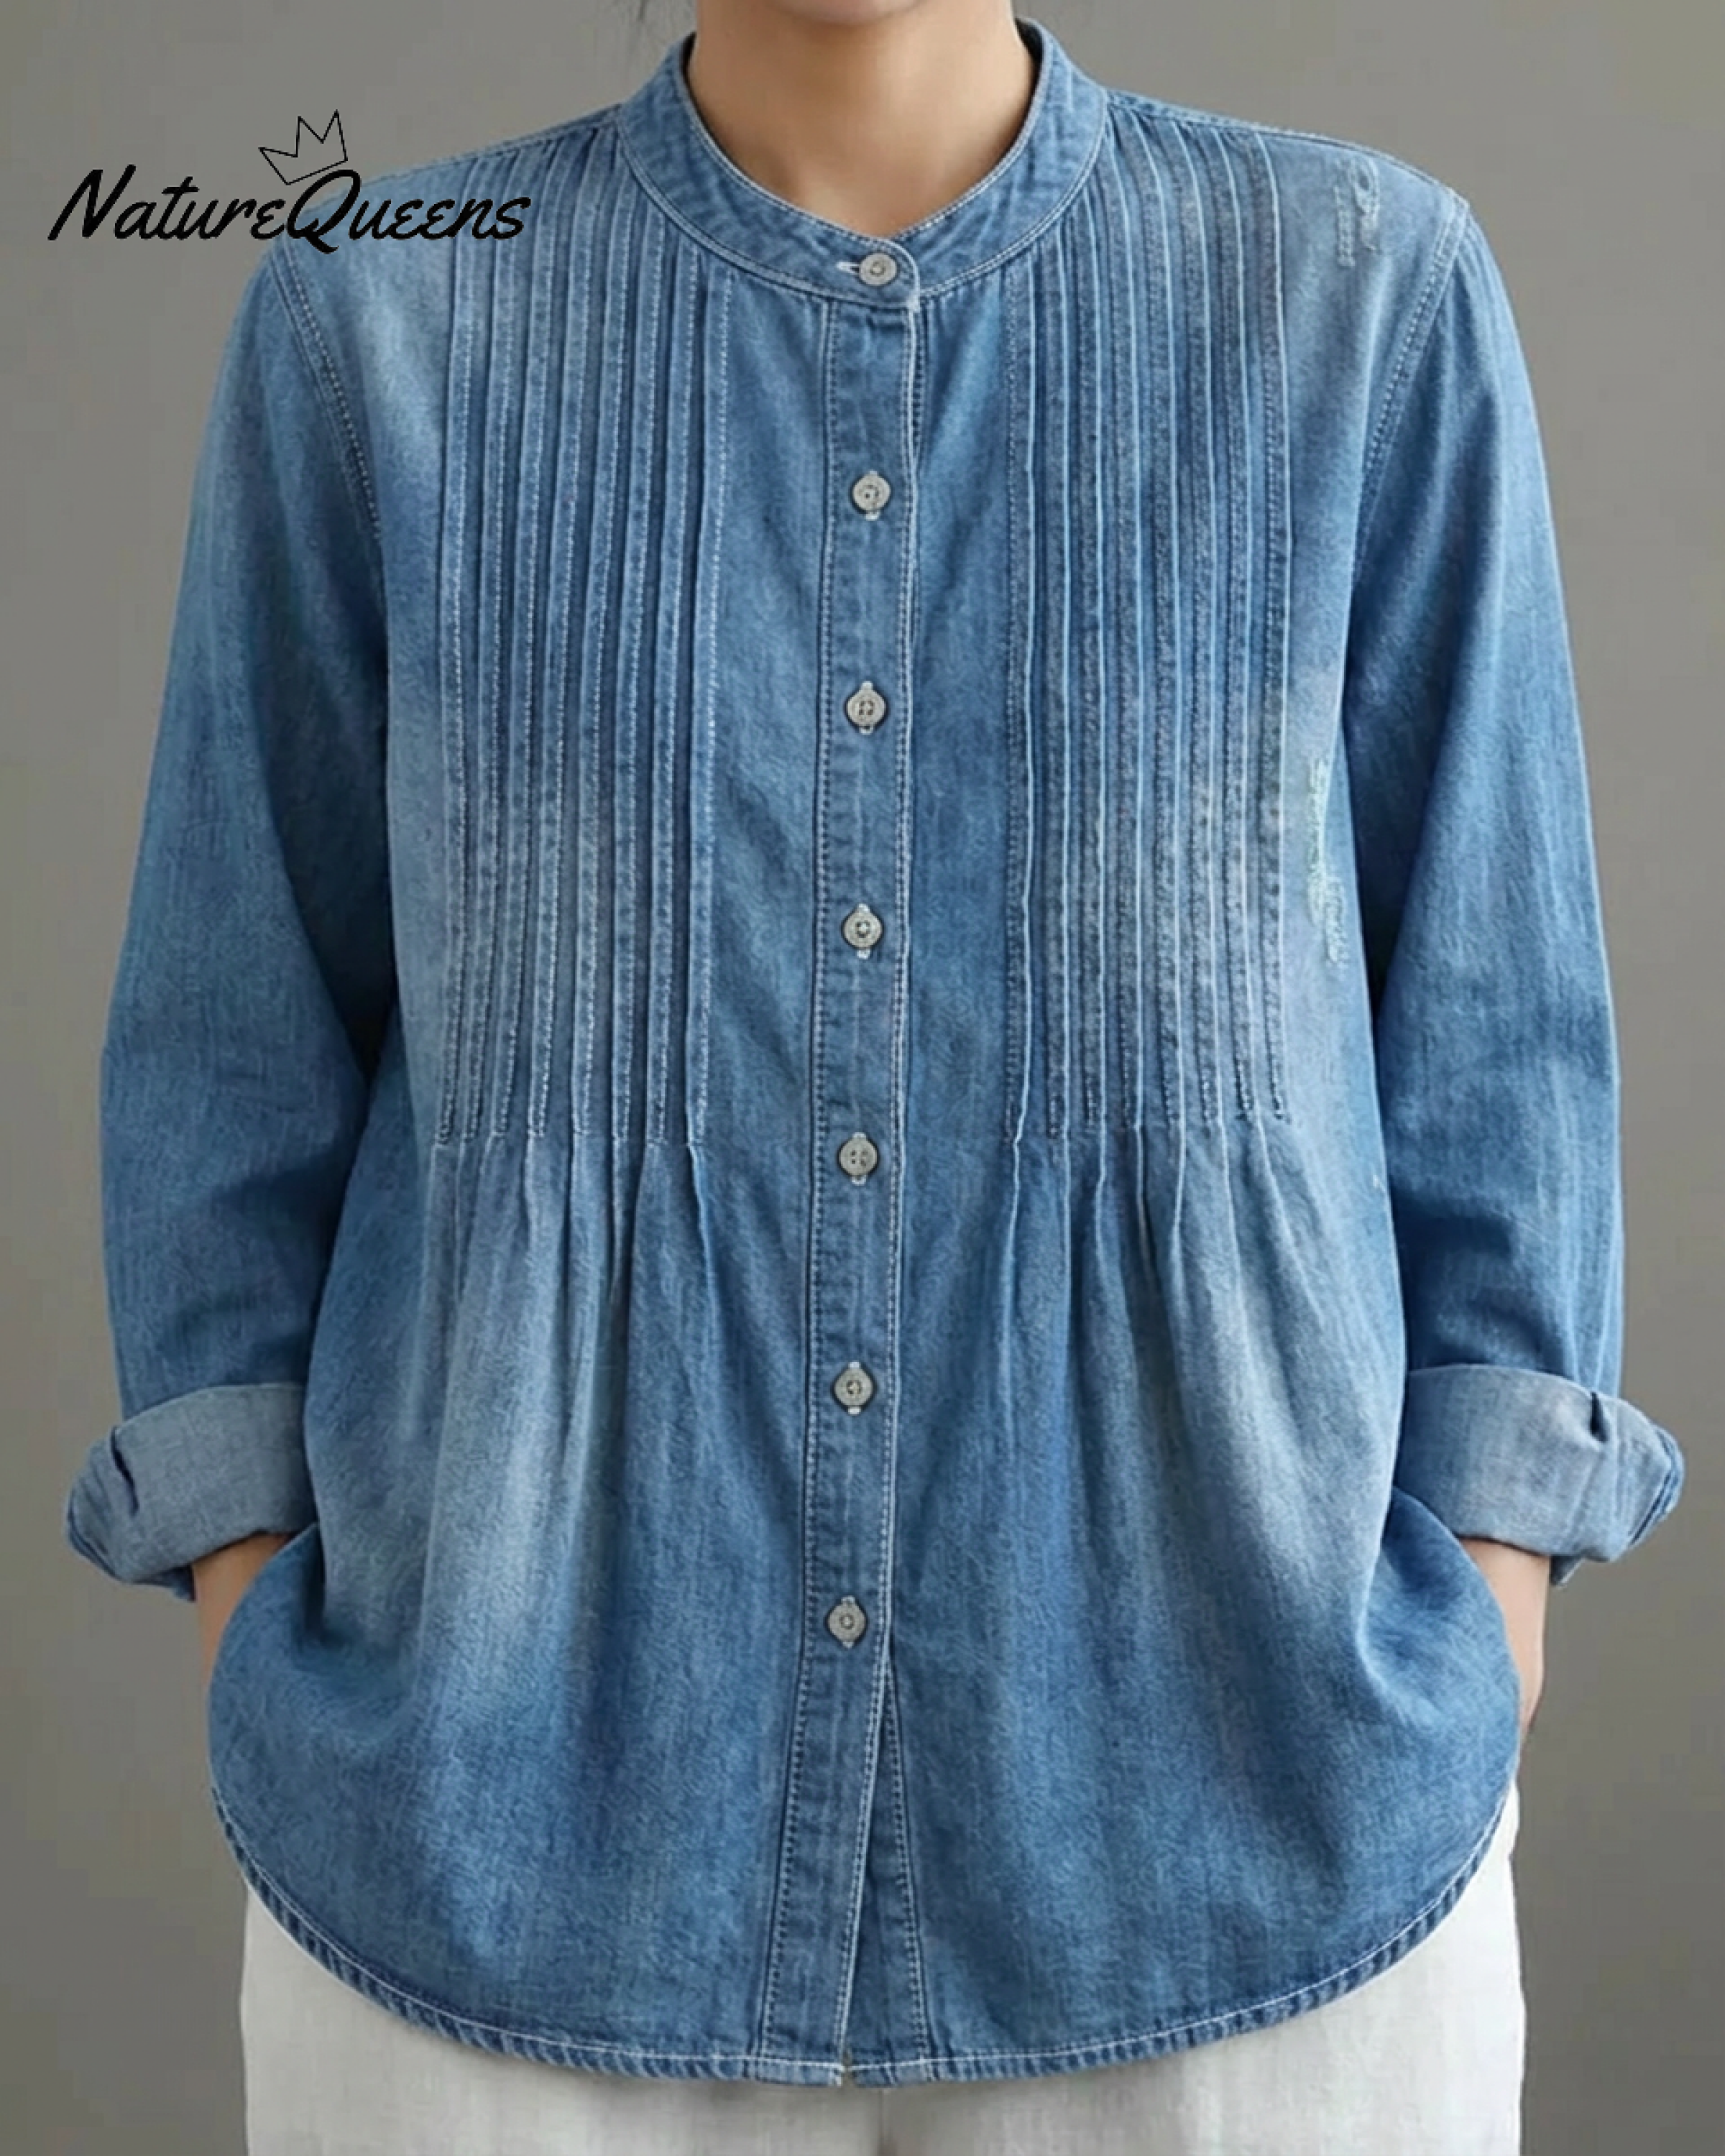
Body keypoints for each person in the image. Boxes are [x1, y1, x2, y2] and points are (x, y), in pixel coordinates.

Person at [65, 1, 1685, 2151]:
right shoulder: (377, 321)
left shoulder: (1359, 298)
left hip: (1259, 1872)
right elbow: (231, 1034)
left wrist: (1489, 1596)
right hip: (482, 1892)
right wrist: (245, 1591)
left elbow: (1499, 1030)